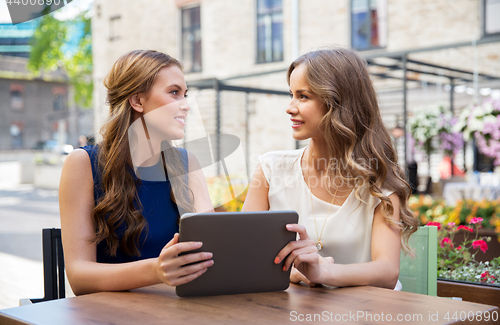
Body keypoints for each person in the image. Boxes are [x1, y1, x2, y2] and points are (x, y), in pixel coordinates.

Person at [242, 48, 418, 289]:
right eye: (291, 94)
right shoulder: (270, 169)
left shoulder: (378, 180)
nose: (290, 107)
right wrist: (293, 273)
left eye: (303, 96)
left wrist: (321, 272)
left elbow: (387, 271)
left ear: (339, 103)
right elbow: (243, 253)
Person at [59, 50, 214, 295]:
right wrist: (156, 271)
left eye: (185, 94)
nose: (186, 105)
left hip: (177, 309)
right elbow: (79, 277)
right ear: (138, 101)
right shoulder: (83, 163)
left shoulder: (187, 164)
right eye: (174, 93)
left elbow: (214, 248)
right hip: (111, 314)